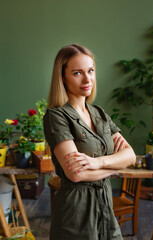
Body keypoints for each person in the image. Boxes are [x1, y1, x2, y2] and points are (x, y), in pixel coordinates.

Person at [43, 44, 136, 240]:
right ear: (62, 77)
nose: (87, 79)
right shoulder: (56, 115)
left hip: (105, 205)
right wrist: (114, 167)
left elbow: (130, 156)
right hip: (76, 210)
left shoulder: (99, 114)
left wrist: (97, 163)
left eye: (90, 71)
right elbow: (76, 174)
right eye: (77, 73)